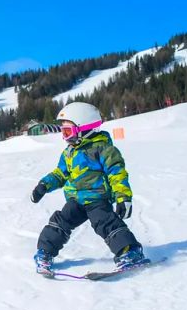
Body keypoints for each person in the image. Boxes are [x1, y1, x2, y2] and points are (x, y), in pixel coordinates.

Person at [29, 102, 146, 277]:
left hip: (97, 199)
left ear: (84, 128)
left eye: (67, 131)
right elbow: (60, 174)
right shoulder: (69, 152)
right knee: (59, 222)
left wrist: (123, 197)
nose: (64, 137)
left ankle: (130, 252)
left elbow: (117, 173)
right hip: (75, 201)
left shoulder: (104, 149)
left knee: (106, 223)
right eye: (63, 132)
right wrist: (44, 185)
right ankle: (44, 253)